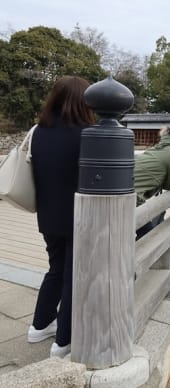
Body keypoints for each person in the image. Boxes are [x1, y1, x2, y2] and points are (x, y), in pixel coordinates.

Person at [28, 76, 95, 358]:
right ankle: (64, 341)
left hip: (47, 215)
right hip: (77, 216)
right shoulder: (87, 133)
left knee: (55, 269)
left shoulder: (38, 131)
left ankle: (40, 325)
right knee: (72, 276)